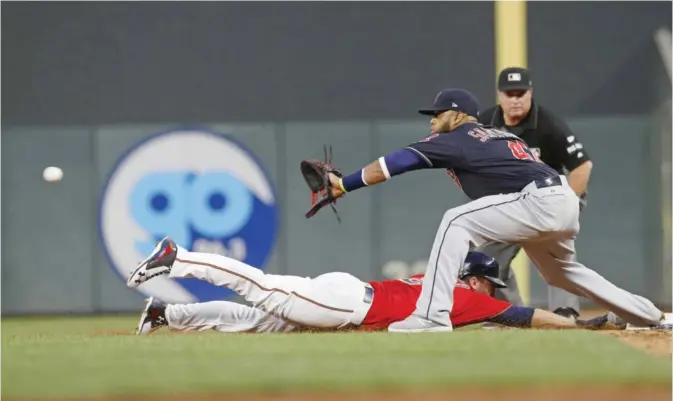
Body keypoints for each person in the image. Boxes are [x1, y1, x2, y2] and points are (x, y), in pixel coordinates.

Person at [272, 86, 667, 333]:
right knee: (563, 273)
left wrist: (343, 184)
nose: (433, 121)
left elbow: (395, 163)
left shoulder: (458, 136)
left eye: (437, 114)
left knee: (455, 221)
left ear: (457, 113)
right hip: (557, 199)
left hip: (538, 198)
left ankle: (431, 314)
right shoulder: (491, 134)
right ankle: (651, 316)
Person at [129, 239, 582, 335]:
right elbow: (522, 317)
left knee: (255, 321)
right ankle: (180, 258)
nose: (492, 290)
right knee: (261, 290)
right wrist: (574, 323)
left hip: (348, 298)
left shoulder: (446, 286)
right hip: (343, 305)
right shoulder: (463, 296)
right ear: (471, 277)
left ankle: (165, 314)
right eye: (488, 281)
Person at [478, 67, 593, 318]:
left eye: (521, 93)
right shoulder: (485, 123)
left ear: (530, 93)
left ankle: (566, 311)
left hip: (548, 200)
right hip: (512, 202)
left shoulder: (548, 124)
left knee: (556, 253)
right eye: (510, 94)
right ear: (499, 96)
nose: (515, 99)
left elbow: (582, 166)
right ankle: (512, 314)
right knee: (489, 258)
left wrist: (568, 204)